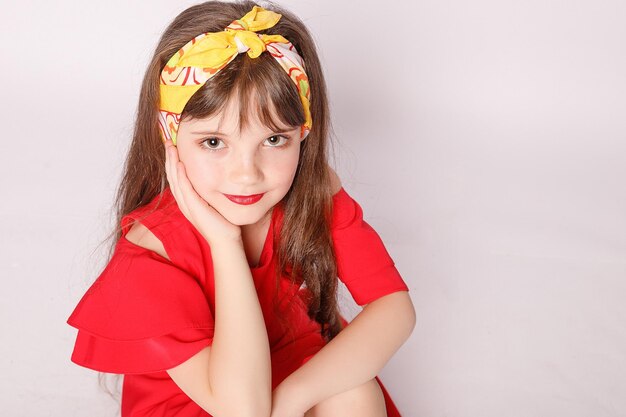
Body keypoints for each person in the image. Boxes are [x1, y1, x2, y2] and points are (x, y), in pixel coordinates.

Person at [66, 1, 416, 416]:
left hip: (287, 374)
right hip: (209, 402)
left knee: (353, 393)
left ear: (302, 135)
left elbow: (394, 309)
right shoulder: (150, 254)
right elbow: (243, 410)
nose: (246, 175)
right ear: (171, 139)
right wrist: (225, 243)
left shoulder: (311, 192)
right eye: (214, 142)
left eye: (273, 141)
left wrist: (291, 399)